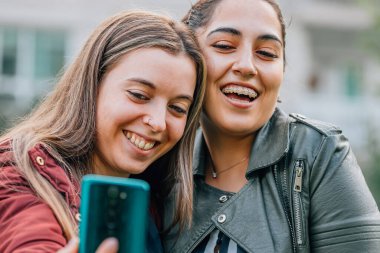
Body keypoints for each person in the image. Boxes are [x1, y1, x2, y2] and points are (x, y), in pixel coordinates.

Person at [162, 0, 380, 252]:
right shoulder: (164, 165)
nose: (246, 66)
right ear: (190, 59)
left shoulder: (319, 153)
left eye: (266, 53)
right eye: (224, 46)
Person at [0, 10, 206, 253]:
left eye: (177, 108)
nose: (159, 122)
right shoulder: (19, 171)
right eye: (139, 95)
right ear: (93, 84)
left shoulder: (158, 201)